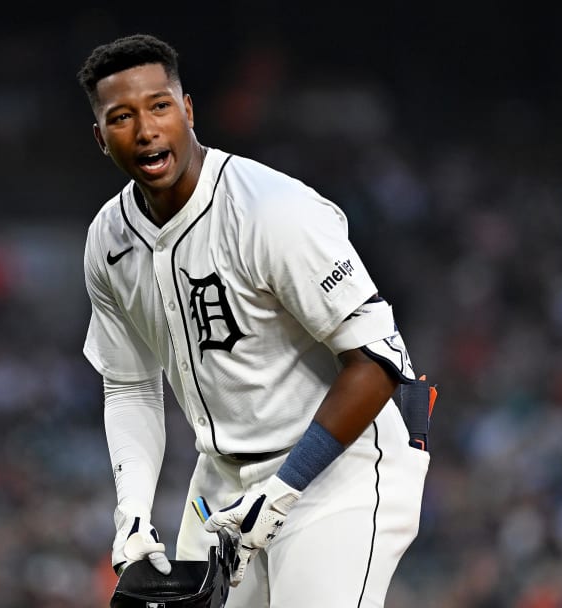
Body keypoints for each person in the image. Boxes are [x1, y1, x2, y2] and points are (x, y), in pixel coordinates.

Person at [75, 34, 431, 608]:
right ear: (101, 137)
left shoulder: (271, 209)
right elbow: (130, 385)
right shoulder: (108, 239)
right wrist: (134, 514)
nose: (145, 130)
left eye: (160, 106)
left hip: (337, 470)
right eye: (122, 116)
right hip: (223, 481)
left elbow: (380, 360)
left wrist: (287, 488)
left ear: (187, 110)